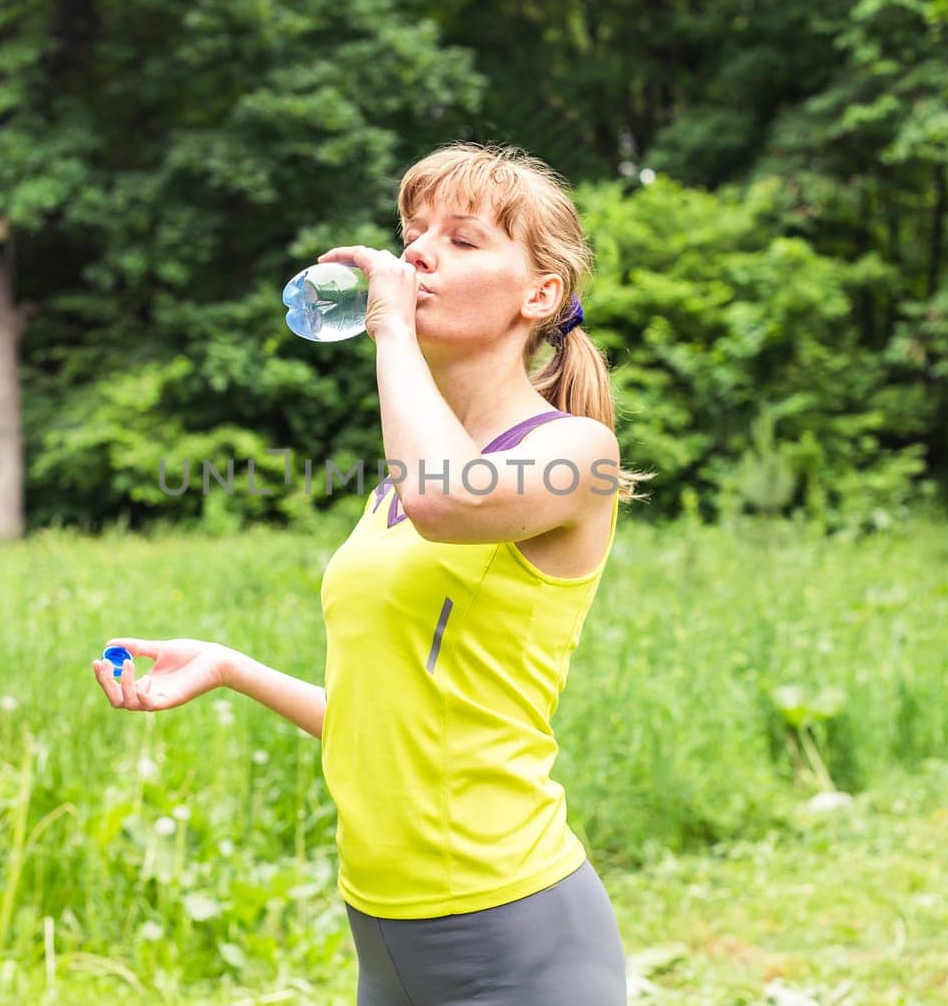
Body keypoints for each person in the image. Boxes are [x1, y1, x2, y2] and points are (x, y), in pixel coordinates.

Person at [93, 143, 642, 1005]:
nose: (416, 253)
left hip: (515, 927)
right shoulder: (398, 480)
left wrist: (390, 326)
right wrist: (230, 667)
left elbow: (446, 500)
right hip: (383, 930)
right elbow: (390, 720)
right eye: (411, 232)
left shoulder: (576, 454)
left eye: (461, 240)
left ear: (541, 295)